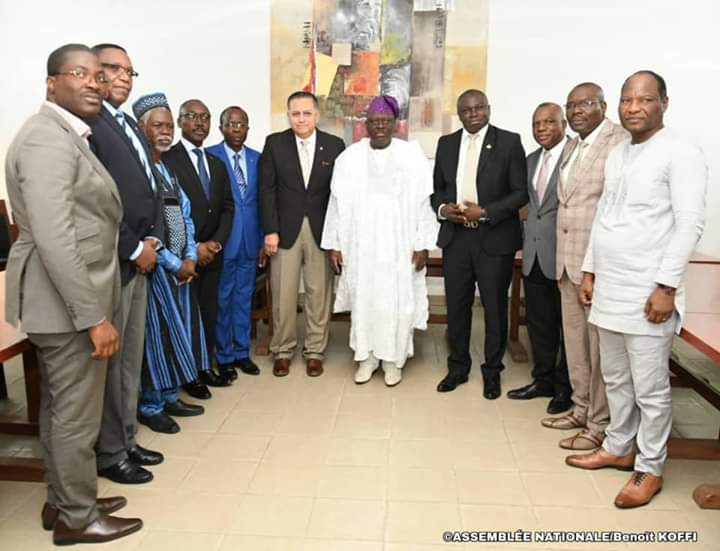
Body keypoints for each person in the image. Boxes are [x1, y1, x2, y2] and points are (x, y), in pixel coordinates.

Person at [4, 43, 142, 544]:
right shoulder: (46, 139)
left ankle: (64, 500)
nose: (92, 83)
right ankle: (77, 518)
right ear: (51, 82)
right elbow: (55, 237)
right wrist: (93, 317)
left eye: (96, 76)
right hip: (67, 305)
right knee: (75, 416)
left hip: (67, 298)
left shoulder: (66, 133)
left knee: (62, 408)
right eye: (78, 74)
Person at [567, 71, 707, 508]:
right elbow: (604, 216)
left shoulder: (682, 152)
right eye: (627, 99)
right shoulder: (618, 154)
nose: (633, 107)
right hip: (609, 286)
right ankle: (617, 446)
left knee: (650, 389)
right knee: (616, 378)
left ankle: (650, 468)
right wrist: (590, 271)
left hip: (648, 292)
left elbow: (689, 224)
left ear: (664, 102)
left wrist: (666, 286)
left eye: (644, 100)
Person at [321, 96, 439, 386]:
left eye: (386, 121)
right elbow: (336, 204)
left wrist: (423, 244)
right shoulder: (349, 158)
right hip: (361, 246)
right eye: (375, 122)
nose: (381, 126)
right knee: (364, 300)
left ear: (396, 124)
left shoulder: (411, 156)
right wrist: (334, 243)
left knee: (396, 302)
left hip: (400, 246)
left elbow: (424, 205)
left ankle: (393, 360)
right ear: (366, 125)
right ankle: (366, 357)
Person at [88, 43, 164, 484]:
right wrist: (134, 248)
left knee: (130, 359)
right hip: (116, 258)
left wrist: (151, 237)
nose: (121, 77)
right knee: (113, 364)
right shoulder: (91, 124)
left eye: (128, 71)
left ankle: (127, 439)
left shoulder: (125, 122)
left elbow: (148, 186)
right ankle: (110, 452)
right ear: (90, 72)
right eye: (111, 68)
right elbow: (96, 204)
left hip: (140, 255)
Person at [541, 82, 628, 452]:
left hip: (598, 267)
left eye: (585, 104)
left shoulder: (620, 142)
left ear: (603, 106)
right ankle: (580, 409)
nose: (576, 111)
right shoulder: (573, 145)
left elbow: (616, 209)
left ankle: (600, 424)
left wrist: (594, 267)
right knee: (575, 345)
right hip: (567, 262)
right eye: (571, 105)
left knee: (600, 351)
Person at [431, 89, 528, 399]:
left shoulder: (509, 142)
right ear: (459, 113)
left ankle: (492, 371)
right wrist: (443, 209)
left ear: (489, 108)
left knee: (495, 308)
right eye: (466, 109)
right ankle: (458, 368)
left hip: (494, 238)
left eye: (479, 108)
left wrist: (485, 212)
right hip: (456, 238)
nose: (473, 114)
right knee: (457, 306)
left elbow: (520, 193)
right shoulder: (446, 144)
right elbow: (437, 190)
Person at [133, 93, 206, 433]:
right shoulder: (139, 172)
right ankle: (151, 405)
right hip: (157, 271)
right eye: (157, 126)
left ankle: (169, 395)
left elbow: (185, 216)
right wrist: (175, 263)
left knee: (178, 333)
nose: (165, 132)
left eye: (168, 126)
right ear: (141, 128)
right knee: (157, 339)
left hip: (181, 270)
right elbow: (144, 229)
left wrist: (190, 256)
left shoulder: (166, 169)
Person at [259, 91, 345, 377]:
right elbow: (266, 190)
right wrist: (270, 231)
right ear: (288, 116)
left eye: (307, 113)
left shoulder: (334, 146)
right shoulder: (275, 144)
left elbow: (340, 195)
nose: (301, 119)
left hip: (322, 230)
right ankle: (282, 350)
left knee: (318, 293)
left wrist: (338, 237)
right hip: (284, 231)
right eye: (295, 113)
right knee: (283, 294)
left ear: (317, 115)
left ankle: (315, 351)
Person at [163, 99, 236, 394]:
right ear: (180, 121)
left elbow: (228, 207)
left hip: (212, 254)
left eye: (204, 117)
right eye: (192, 116)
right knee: (184, 315)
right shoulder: (167, 160)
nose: (199, 123)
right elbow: (167, 212)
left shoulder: (216, 163)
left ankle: (205, 366)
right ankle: (187, 373)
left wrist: (216, 243)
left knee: (207, 311)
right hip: (182, 256)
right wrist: (194, 247)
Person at [507, 103, 572, 414]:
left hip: (565, 256)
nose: (542, 128)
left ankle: (566, 387)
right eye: (537, 123)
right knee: (540, 323)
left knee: (568, 327)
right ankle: (542, 379)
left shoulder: (576, 156)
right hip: (534, 254)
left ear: (564, 124)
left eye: (549, 122)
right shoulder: (530, 160)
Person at [206, 106, 263, 378]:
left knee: (243, 298)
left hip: (250, 240)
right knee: (223, 299)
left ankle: (242, 353)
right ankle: (224, 355)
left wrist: (262, 239)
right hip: (224, 239)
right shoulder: (210, 157)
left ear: (248, 128)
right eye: (231, 124)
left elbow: (262, 202)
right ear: (221, 128)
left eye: (242, 124)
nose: (237, 129)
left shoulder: (257, 159)